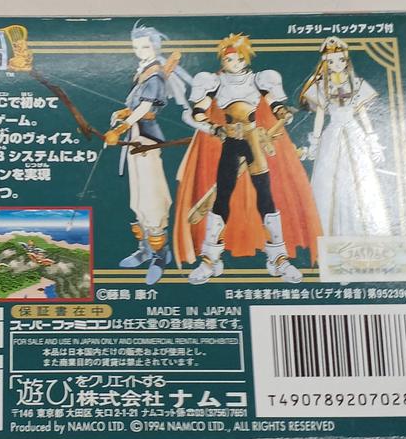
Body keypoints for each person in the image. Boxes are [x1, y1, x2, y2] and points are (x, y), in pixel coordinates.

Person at [173, 33, 320, 282]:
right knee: (222, 198)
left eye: (239, 59)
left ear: (246, 59)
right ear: (223, 60)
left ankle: (279, 258)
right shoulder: (214, 82)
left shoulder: (259, 79)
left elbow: (274, 103)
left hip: (253, 141)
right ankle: (210, 260)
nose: (235, 63)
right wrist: (212, 126)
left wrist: (282, 112)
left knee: (265, 196)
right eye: (229, 59)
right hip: (230, 141)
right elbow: (198, 111)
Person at [110, 23, 192, 285]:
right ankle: (145, 248)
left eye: (145, 46)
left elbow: (146, 107)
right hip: (135, 137)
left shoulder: (154, 75)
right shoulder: (144, 71)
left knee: (152, 198)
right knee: (138, 198)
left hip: (147, 140)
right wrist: (125, 115)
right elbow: (137, 105)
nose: (140, 51)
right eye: (136, 47)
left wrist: (121, 127)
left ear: (155, 47)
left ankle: (160, 254)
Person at [298, 37, 390, 235]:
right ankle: (329, 231)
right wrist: (315, 143)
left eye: (340, 59)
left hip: (354, 133)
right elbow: (320, 116)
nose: (337, 64)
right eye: (331, 61)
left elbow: (363, 114)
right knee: (329, 179)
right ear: (325, 62)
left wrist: (372, 140)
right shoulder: (322, 86)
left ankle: (362, 229)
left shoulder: (356, 83)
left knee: (358, 175)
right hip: (332, 135)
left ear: (346, 60)